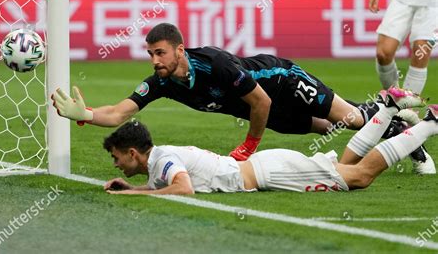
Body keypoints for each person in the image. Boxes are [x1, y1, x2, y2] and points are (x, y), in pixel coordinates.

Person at [51, 23, 432, 171]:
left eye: (160, 53)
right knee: (328, 127)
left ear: (180, 50)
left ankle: (388, 100)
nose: (154, 61)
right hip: (266, 106)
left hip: (280, 81)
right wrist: (81, 112)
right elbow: (119, 113)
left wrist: (249, 145)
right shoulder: (162, 82)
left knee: (350, 121)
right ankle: (397, 126)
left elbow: (260, 102)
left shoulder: (216, 63)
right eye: (150, 54)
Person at [101, 88, 437, 195]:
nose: (116, 164)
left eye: (117, 158)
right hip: (265, 167)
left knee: (360, 176)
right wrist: (136, 189)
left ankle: (429, 125)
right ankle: (388, 108)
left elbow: (184, 188)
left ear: (133, 152)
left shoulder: (162, 160)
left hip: (271, 175)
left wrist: (132, 194)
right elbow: (167, 182)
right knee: (345, 168)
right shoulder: (159, 160)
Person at [369, 0, 437, 94]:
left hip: (433, 1)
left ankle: (407, 110)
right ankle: (394, 100)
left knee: (420, 52)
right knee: (383, 53)